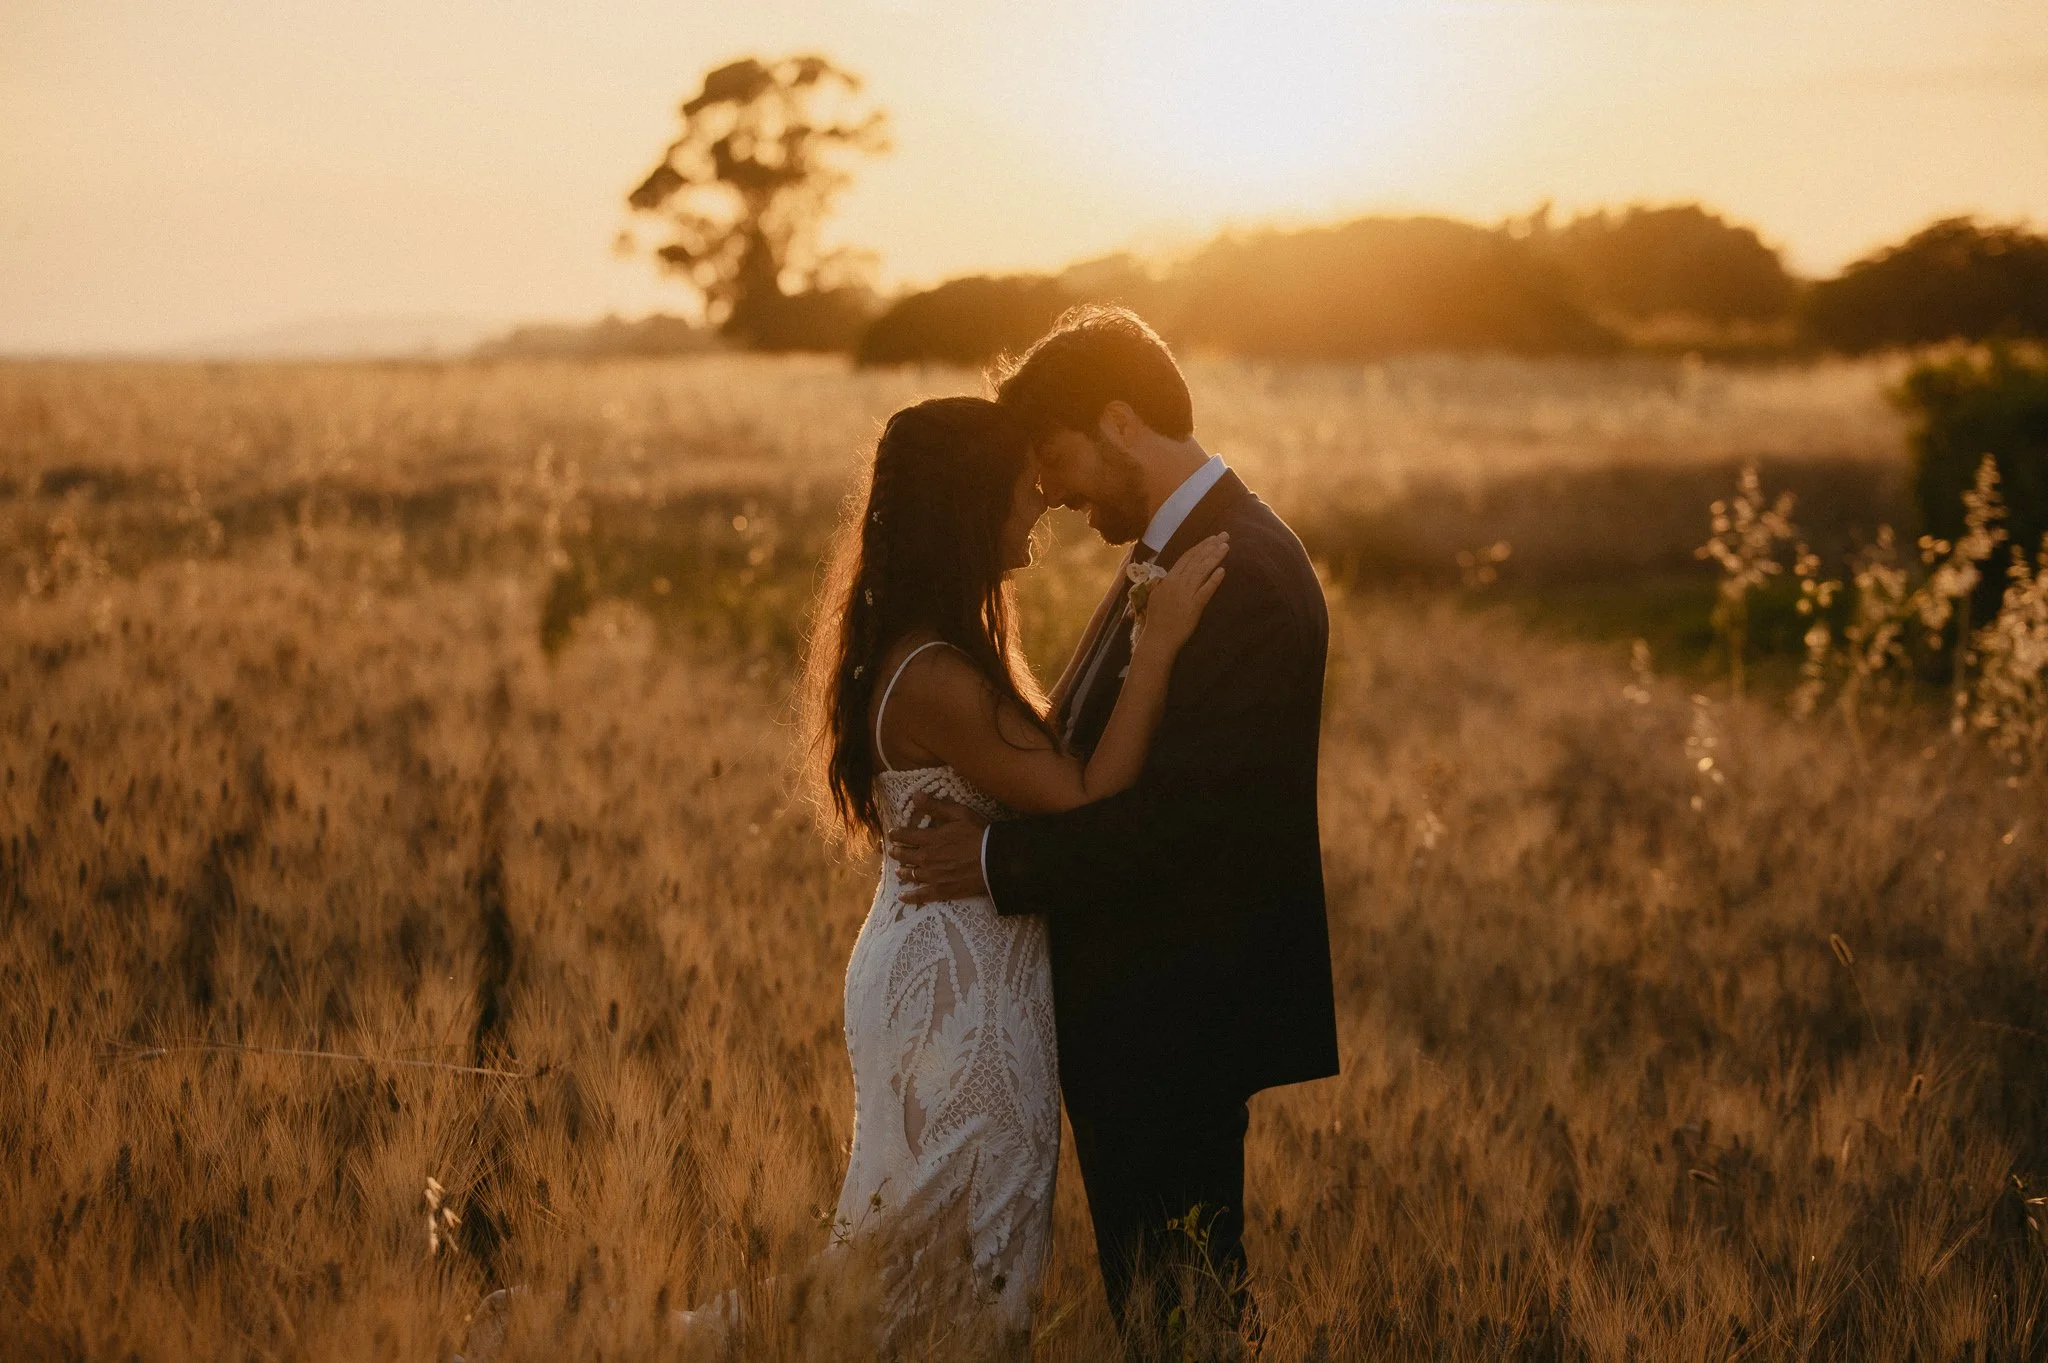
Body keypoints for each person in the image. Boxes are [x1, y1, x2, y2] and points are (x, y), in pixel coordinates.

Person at [889, 308, 1341, 1345]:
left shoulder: (1245, 576)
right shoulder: (1177, 547)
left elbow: (1184, 825)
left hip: (1176, 1012)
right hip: (1140, 1008)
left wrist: (994, 860)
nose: (1051, 495)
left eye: (1056, 462)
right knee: (1163, 1306)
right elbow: (1099, 762)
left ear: (1120, 421)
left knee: (1183, 1312)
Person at [795, 394, 1227, 1340]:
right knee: (949, 1259)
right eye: (1017, 485)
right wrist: (1157, 648)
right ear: (966, 506)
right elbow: (1088, 794)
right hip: (962, 993)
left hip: (951, 966)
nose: (1038, 497)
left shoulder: (932, 650)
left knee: (928, 1254)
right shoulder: (940, 676)